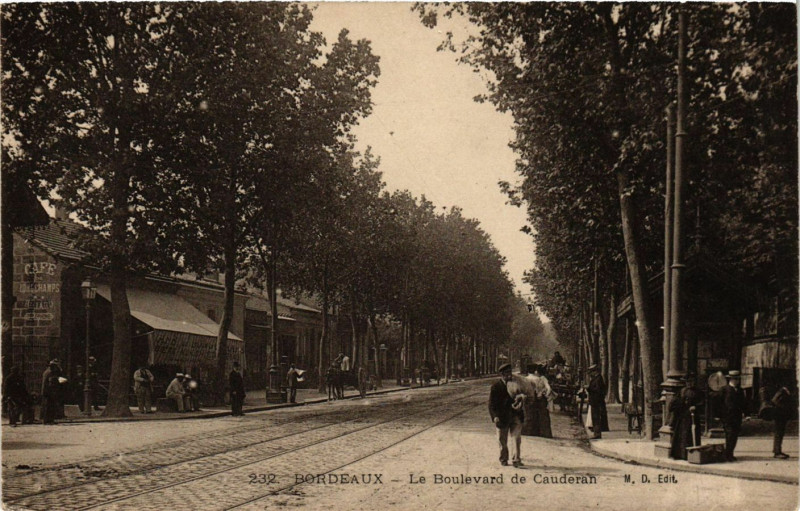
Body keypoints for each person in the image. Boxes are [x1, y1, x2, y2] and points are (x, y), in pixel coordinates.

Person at [489, 363, 525, 467]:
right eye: (506, 373)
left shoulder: (517, 384)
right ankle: (504, 459)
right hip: (502, 417)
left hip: (515, 415)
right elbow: (491, 404)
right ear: (502, 374)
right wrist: (494, 416)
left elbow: (525, 394)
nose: (509, 375)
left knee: (516, 438)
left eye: (510, 373)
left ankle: (516, 459)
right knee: (502, 440)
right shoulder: (496, 386)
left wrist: (522, 397)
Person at [669, 372, 703, 460]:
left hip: (693, 417)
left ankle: (692, 454)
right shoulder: (682, 391)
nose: (690, 383)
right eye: (688, 382)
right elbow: (674, 403)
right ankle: (680, 454)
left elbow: (703, 403)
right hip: (683, 417)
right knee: (681, 436)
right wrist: (681, 404)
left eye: (691, 381)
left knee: (692, 435)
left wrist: (696, 407)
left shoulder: (698, 392)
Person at [721, 370, 746, 462]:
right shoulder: (724, 389)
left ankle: (730, 453)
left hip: (737, 417)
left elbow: (744, 403)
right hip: (727, 417)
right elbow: (719, 403)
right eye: (735, 379)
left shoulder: (740, 390)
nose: (737, 381)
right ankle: (727, 454)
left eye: (738, 379)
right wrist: (719, 415)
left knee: (734, 436)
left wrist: (746, 414)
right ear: (730, 380)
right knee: (729, 435)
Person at [771, 383, 796, 459]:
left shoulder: (783, 391)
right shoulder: (782, 391)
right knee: (778, 433)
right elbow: (774, 401)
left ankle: (777, 451)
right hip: (780, 415)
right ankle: (777, 452)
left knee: (780, 433)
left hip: (782, 415)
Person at [528, 365, 553, 438]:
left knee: (532, 414)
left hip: (531, 398)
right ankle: (544, 433)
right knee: (543, 415)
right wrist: (545, 395)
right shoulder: (540, 379)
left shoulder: (527, 378)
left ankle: (532, 431)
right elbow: (549, 389)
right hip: (541, 398)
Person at [587, 364, 609, 439]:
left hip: (596, 401)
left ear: (595, 371)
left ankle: (597, 434)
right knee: (595, 417)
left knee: (596, 418)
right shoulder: (596, 378)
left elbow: (598, 390)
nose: (590, 374)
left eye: (591, 372)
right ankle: (596, 433)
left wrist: (589, 388)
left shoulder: (598, 379)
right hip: (595, 401)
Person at [40, 360, 61, 424]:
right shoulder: (50, 372)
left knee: (48, 406)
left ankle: (47, 420)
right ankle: (48, 420)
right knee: (49, 406)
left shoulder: (46, 372)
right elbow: (51, 383)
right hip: (49, 392)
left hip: (46, 391)